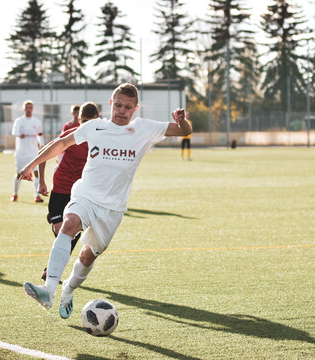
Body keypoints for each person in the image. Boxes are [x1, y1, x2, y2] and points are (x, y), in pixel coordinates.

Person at [19, 83, 192, 319]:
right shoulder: (95, 127)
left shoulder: (143, 128)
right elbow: (60, 144)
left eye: (127, 107)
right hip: (86, 195)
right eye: (118, 105)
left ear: (135, 109)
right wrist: (31, 166)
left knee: (88, 256)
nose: (122, 110)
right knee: (69, 224)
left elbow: (184, 131)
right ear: (111, 104)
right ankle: (48, 289)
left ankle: (68, 289)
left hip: (113, 208)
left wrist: (183, 121)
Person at [37, 102, 100, 281]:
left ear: (98, 120)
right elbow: (44, 153)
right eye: (84, 121)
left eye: (91, 122)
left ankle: (51, 271)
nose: (86, 126)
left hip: (80, 192)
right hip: (61, 189)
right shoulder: (70, 136)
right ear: (79, 120)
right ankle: (56, 218)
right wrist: (41, 181)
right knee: (62, 233)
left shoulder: (102, 138)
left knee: (68, 234)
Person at [11, 100, 44, 203]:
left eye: (30, 107)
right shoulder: (19, 121)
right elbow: (14, 131)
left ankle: (37, 195)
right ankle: (15, 194)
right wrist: (19, 134)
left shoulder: (37, 122)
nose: (29, 109)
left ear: (33, 109)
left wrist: (42, 145)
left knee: (36, 173)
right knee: (19, 174)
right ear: (24, 109)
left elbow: (40, 135)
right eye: (27, 108)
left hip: (33, 152)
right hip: (21, 153)